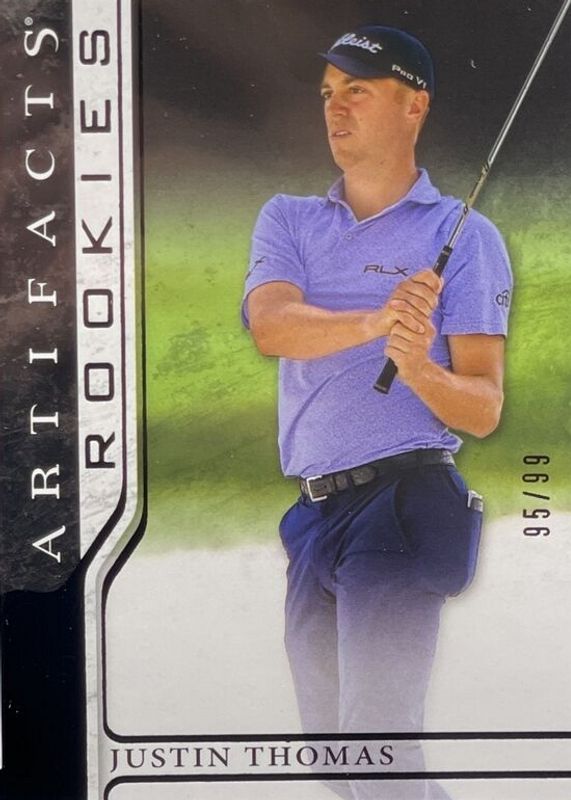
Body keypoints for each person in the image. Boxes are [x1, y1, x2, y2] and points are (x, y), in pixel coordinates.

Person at [241, 25, 512, 800]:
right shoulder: (288, 219)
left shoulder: (465, 237)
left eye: (356, 90)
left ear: (412, 105)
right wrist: (377, 320)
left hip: (402, 506)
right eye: (328, 92)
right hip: (313, 516)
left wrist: (417, 365)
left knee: (377, 749)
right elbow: (272, 327)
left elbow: (483, 408)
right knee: (335, 761)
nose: (335, 108)